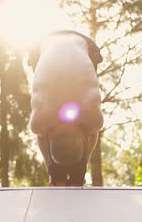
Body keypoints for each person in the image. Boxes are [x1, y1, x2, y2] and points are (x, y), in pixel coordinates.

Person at [28, 30, 103, 186]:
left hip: (75, 44)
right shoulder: (42, 121)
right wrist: (82, 167)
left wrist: (51, 169)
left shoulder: (91, 120)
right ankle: (69, 172)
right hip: (46, 43)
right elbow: (42, 135)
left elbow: (92, 132)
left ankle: (57, 175)